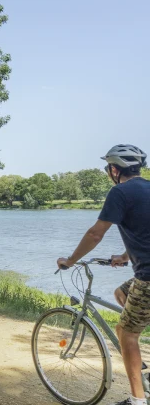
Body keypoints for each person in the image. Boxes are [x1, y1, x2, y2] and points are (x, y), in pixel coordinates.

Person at [57, 144, 150, 405]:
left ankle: (137, 401)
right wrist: (124, 256)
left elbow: (96, 233)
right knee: (121, 292)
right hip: (144, 271)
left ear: (113, 169)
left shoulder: (120, 192)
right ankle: (139, 359)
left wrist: (70, 260)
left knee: (127, 333)